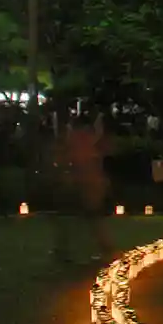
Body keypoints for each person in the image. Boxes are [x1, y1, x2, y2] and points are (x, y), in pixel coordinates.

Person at [52, 112, 113, 263]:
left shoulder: (79, 141)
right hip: (86, 184)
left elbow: (74, 161)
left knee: (87, 218)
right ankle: (66, 249)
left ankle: (101, 248)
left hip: (86, 185)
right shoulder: (86, 141)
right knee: (86, 218)